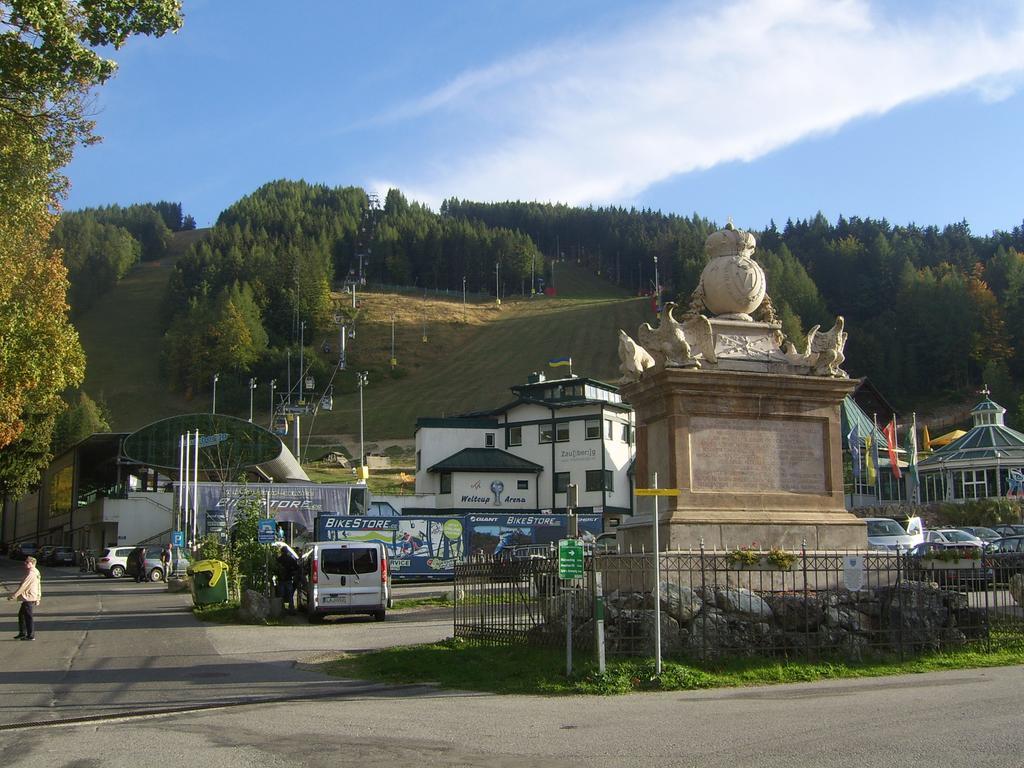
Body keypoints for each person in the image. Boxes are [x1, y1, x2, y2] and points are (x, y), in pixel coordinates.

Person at [9, 555, 42, 640]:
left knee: (28, 617)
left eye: (27, 562)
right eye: (25, 562)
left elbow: (23, 586)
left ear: (32, 563)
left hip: (28, 597)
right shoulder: (34, 571)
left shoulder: (31, 573)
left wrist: (13, 596)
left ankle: (30, 635)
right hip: (29, 596)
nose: (25, 563)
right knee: (22, 615)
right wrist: (38, 597)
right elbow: (38, 585)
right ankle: (22, 633)